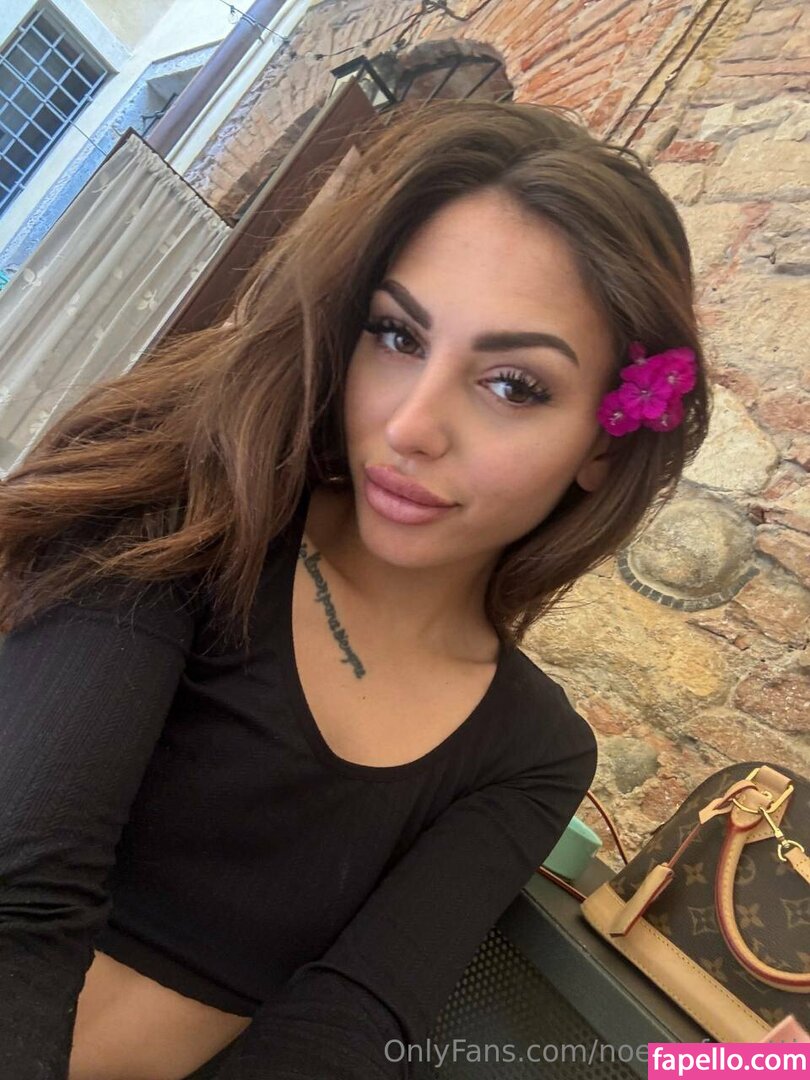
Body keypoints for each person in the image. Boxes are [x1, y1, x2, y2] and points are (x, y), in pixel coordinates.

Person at [0, 98, 712, 1080]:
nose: (411, 425)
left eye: (513, 384)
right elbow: (22, 895)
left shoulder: (533, 752)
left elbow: (351, 1024)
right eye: (397, 335)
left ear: (603, 444)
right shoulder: (187, 512)